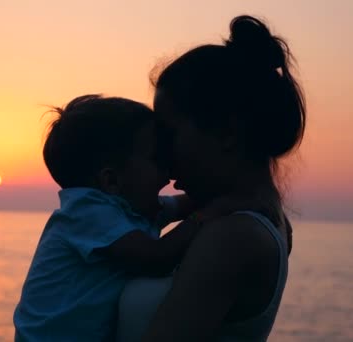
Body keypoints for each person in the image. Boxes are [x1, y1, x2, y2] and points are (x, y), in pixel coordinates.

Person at [117, 15, 305, 341]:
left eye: (168, 134)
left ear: (227, 133)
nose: (160, 154)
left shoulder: (233, 236)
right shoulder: (258, 221)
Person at [14, 94, 213, 341]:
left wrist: (223, 189)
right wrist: (207, 215)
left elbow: (182, 205)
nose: (169, 173)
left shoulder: (132, 206)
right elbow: (155, 259)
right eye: (158, 159)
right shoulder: (87, 214)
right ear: (111, 180)